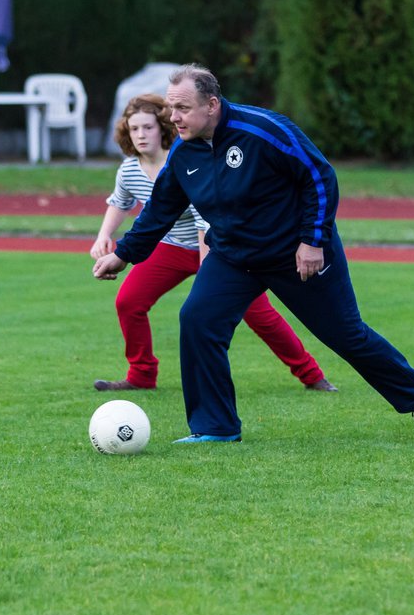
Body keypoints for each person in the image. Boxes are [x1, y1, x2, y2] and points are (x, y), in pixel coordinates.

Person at [92, 64, 414, 444]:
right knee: (198, 319)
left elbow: (319, 177)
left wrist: (312, 241)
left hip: (294, 253)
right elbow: (160, 209)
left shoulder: (263, 130)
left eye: (182, 108)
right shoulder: (183, 150)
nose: (173, 117)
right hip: (233, 256)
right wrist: (124, 254)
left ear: (212, 105)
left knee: (346, 336)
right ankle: (215, 427)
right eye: (171, 107)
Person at [89, 92, 338, 394]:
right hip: (169, 249)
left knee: (260, 315)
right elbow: (121, 202)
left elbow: (204, 220)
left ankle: (311, 375)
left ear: (164, 127)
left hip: (216, 249)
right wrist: (104, 236)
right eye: (134, 128)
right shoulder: (129, 169)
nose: (141, 134)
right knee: (129, 301)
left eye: (148, 127)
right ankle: (141, 374)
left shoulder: (187, 156)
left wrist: (210, 272)